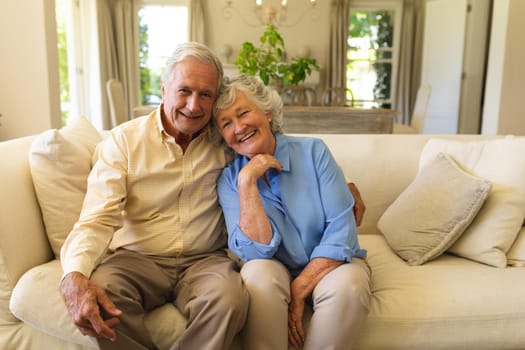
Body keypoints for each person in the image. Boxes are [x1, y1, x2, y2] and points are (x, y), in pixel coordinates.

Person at [59, 42, 249, 350]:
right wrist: (74, 274)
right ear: (164, 89)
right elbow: (97, 218)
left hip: (204, 260)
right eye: (184, 91)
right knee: (106, 294)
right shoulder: (124, 142)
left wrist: (339, 184)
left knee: (229, 299)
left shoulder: (226, 138)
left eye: (206, 94)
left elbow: (273, 143)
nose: (193, 105)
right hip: (135, 259)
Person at [211, 75, 372, 350]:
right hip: (276, 266)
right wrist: (247, 183)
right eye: (227, 123)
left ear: (268, 113)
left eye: (244, 113)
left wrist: (299, 289)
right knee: (258, 276)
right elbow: (251, 252)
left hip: (331, 263)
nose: (239, 127)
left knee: (350, 285)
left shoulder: (314, 152)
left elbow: (341, 231)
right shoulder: (231, 179)